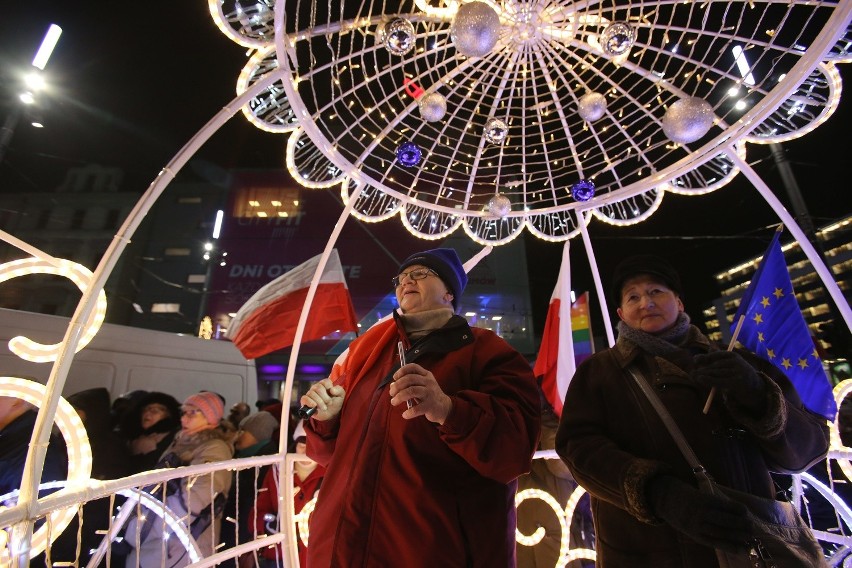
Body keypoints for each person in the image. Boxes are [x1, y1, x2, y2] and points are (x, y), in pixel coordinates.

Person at [555, 254, 830, 567]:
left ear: (679, 303)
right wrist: (659, 493)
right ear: (621, 313)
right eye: (633, 297)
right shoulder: (599, 373)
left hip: (750, 547)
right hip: (646, 552)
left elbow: (807, 451)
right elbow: (578, 447)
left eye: (656, 291)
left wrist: (756, 394)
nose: (645, 302)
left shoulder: (736, 362)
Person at [300, 247, 541, 567]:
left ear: (449, 292)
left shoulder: (488, 351)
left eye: (421, 274)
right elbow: (329, 457)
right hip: (339, 547)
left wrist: (448, 410)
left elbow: (514, 449)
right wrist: (326, 422)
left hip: (430, 550)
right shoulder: (364, 353)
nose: (406, 281)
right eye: (401, 278)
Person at [123, 391, 234, 568]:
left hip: (179, 545)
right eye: (184, 412)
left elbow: (197, 496)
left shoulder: (215, 448)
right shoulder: (181, 441)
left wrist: (146, 528)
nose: (184, 419)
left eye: (193, 413)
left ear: (210, 417)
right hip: (159, 542)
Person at [246, 420, 325, 568]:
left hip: (313, 559)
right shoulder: (277, 473)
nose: (306, 451)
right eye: (302, 445)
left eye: (313, 447)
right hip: (277, 558)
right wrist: (268, 523)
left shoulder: (331, 476)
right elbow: (255, 515)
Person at [119, 391, 182, 474]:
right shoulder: (128, 439)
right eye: (145, 410)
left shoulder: (174, 439)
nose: (147, 413)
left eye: (154, 411)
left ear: (169, 415)